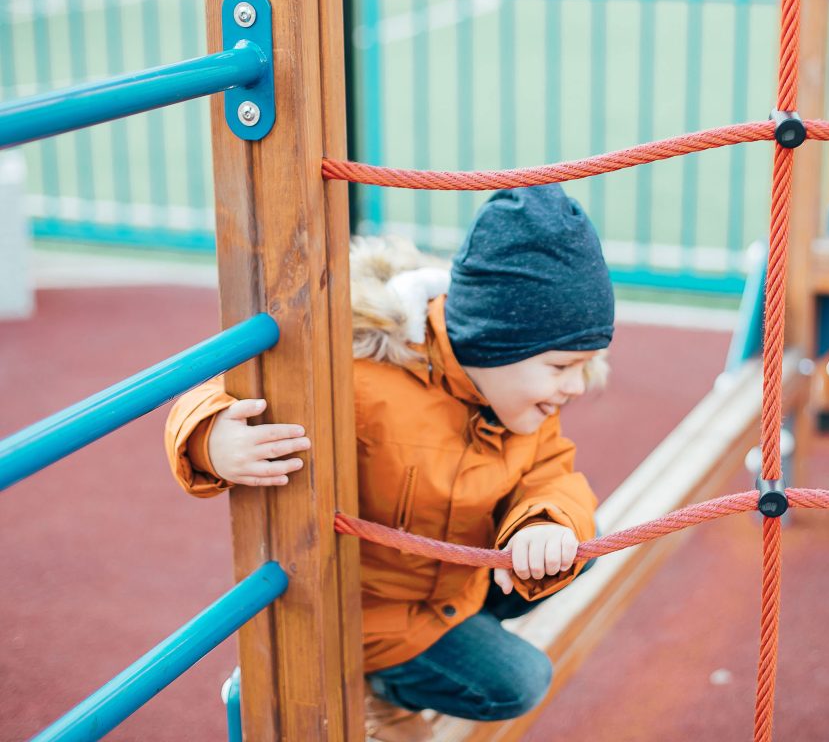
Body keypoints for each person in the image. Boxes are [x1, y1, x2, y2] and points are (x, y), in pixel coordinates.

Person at [164, 184, 614, 741]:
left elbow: (551, 471)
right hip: (367, 613)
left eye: (586, 364)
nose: (575, 385)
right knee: (515, 683)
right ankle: (374, 685)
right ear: (496, 343)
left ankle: (421, 659)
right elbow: (221, 391)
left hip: (446, 589)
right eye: (562, 365)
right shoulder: (364, 381)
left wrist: (545, 520)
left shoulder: (517, 400)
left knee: (578, 541)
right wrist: (212, 440)